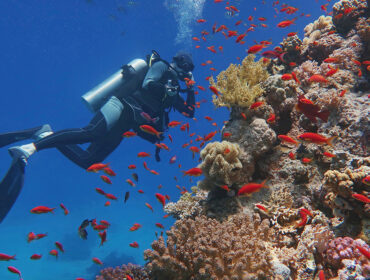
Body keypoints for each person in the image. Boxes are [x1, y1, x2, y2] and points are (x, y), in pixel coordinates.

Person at [0, 50, 195, 222]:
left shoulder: (174, 93)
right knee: (91, 133)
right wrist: (167, 89)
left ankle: (44, 133)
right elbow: (148, 84)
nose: (186, 70)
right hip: (120, 105)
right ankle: (32, 148)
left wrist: (191, 89)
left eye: (189, 69)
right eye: (186, 66)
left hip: (125, 125)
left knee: (89, 161)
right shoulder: (161, 66)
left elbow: (189, 112)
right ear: (178, 62)